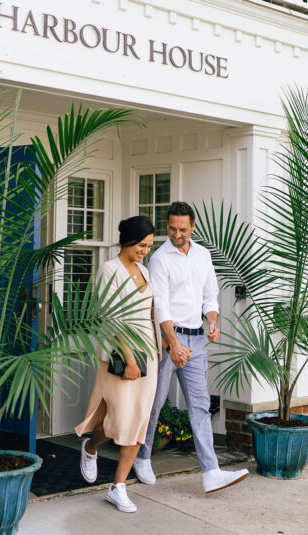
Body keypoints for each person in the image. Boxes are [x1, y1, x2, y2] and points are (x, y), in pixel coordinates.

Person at [133, 201, 249, 493]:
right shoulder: (160, 259)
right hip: (166, 340)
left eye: (182, 229)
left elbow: (210, 296)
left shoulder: (203, 256)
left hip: (196, 339)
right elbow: (161, 306)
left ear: (192, 227)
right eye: (172, 228)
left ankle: (211, 471)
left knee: (199, 407)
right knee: (155, 402)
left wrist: (212, 322)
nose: (176, 234)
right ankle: (142, 456)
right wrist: (173, 345)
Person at [75, 215, 161, 513]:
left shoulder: (144, 271)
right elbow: (108, 318)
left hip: (148, 356)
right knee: (117, 422)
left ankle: (118, 486)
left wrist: (159, 348)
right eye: (141, 245)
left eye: (149, 246)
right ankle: (91, 446)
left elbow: (150, 313)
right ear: (127, 240)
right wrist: (128, 358)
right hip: (119, 356)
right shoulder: (108, 271)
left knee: (138, 422)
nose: (144, 251)